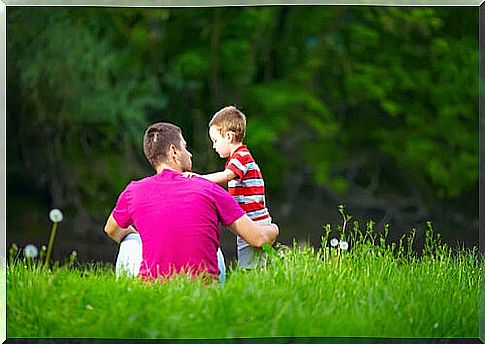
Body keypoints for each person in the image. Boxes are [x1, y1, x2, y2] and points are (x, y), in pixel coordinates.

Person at [104, 122, 279, 281]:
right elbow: (258, 239)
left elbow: (111, 229)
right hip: (204, 289)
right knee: (214, 250)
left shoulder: (134, 191)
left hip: (154, 289)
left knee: (130, 243)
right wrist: (274, 228)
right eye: (185, 148)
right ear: (174, 151)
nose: (190, 153)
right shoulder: (209, 189)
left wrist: (139, 237)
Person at [186, 106, 272, 269]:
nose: (214, 146)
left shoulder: (241, 157)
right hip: (250, 219)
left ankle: (253, 287)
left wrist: (200, 179)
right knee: (254, 261)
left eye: (216, 141)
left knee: (250, 266)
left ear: (229, 136)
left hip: (255, 221)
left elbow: (226, 176)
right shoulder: (239, 157)